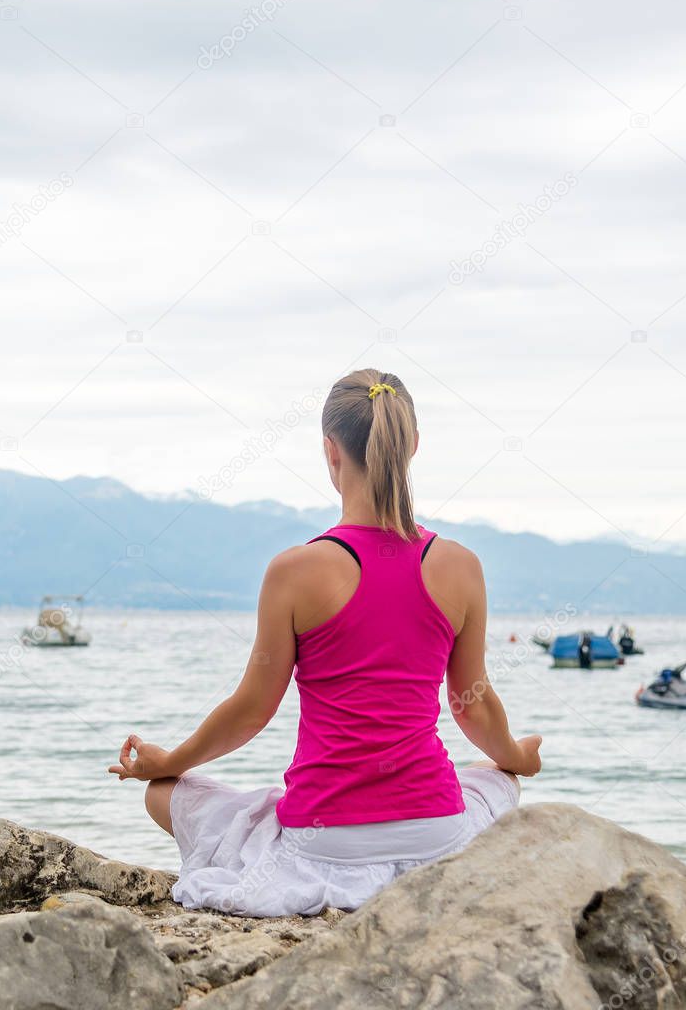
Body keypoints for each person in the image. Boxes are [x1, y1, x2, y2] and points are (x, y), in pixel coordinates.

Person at [108, 369, 542, 917]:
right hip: (435, 836)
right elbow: (472, 705)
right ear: (411, 446)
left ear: (330, 451)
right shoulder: (461, 566)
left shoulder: (295, 570)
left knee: (163, 794)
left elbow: (250, 712)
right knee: (493, 780)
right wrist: (516, 759)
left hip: (323, 841)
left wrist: (168, 760)